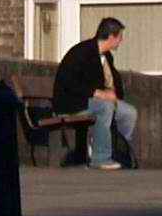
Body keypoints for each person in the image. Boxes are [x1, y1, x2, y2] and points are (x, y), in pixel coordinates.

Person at [51, 15, 139, 168]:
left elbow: (113, 82)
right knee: (105, 107)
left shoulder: (107, 57)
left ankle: (118, 150)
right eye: (120, 37)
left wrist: (113, 94)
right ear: (111, 37)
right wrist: (97, 93)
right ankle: (101, 158)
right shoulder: (81, 52)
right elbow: (68, 82)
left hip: (95, 102)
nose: (121, 41)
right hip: (73, 103)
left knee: (129, 113)